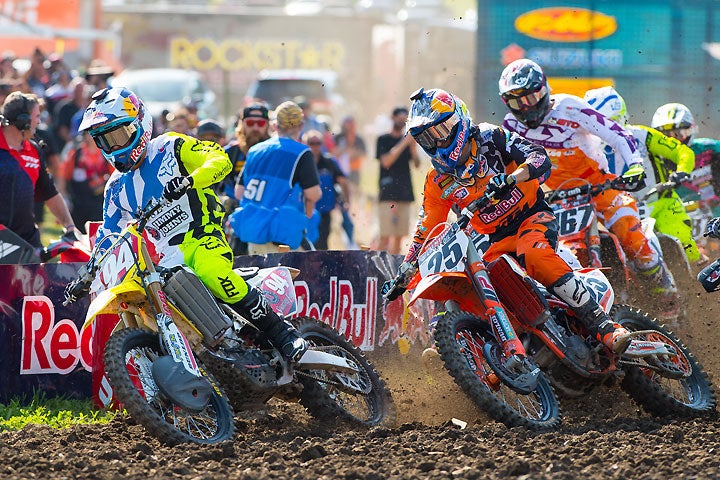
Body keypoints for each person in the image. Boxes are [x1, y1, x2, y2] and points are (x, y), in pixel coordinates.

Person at [383, 87, 665, 357]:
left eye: (440, 132)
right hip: (495, 241)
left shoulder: (489, 138)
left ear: (458, 120)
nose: (436, 143)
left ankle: (606, 328)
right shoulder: (437, 181)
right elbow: (426, 229)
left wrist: (512, 178)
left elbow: (538, 157)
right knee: (475, 285)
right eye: (426, 139)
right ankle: (484, 354)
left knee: (534, 253)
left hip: (532, 217)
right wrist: (406, 269)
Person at [63, 87, 308, 362]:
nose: (115, 146)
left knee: (210, 272)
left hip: (203, 235)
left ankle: (282, 332)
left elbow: (219, 159)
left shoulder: (170, 146)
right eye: (106, 141)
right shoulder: (115, 188)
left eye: (120, 135)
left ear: (139, 124)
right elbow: (108, 235)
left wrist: (190, 180)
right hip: (167, 257)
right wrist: (87, 275)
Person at [498, 59, 678, 307]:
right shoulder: (510, 126)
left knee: (631, 233)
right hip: (552, 195)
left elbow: (616, 133)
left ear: (544, 89)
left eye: (531, 97)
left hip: (598, 186)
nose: (526, 107)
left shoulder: (569, 108)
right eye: (518, 102)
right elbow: (504, 164)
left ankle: (665, 294)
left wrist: (635, 164)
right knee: (540, 251)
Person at [583, 87, 701, 265]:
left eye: (609, 123)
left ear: (621, 118)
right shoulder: (586, 148)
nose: (604, 130)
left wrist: (681, 172)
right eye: (596, 125)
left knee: (684, 244)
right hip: (615, 211)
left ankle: (701, 280)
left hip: (660, 202)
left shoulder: (642, 135)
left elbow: (681, 151)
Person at [233, 101, 321, 254]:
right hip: (284, 235)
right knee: (307, 274)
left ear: (274, 126)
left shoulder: (254, 150)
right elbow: (313, 194)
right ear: (301, 126)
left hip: (253, 234)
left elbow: (239, 192)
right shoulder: (302, 153)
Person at [0, 91, 77, 250]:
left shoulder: (34, 150)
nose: (39, 121)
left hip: (27, 243)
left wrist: (70, 227)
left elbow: (49, 192)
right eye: (36, 116)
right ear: (23, 121)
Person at [375, 106, 420, 254]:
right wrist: (405, 142)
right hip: (387, 192)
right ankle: (377, 267)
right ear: (393, 118)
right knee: (385, 236)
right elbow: (386, 162)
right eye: (399, 118)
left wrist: (413, 146)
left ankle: (393, 269)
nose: (401, 122)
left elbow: (417, 164)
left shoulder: (408, 140)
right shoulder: (383, 139)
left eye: (404, 119)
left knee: (399, 237)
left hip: (404, 192)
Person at [56, 131, 114, 233]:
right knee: (78, 234)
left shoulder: (106, 153)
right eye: (88, 133)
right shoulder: (76, 153)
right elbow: (63, 175)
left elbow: (115, 176)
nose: (91, 136)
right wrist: (64, 198)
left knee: (98, 233)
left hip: (100, 202)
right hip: (79, 202)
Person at [303, 129, 351, 250]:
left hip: (324, 211)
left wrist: (347, 201)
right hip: (304, 212)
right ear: (305, 144)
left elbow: (343, 181)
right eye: (311, 143)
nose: (315, 146)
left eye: (318, 143)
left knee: (322, 244)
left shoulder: (329, 162)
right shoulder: (301, 162)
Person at [333, 115, 367, 185]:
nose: (350, 127)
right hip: (339, 168)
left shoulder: (358, 139)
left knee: (354, 189)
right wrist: (343, 151)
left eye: (352, 124)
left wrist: (353, 153)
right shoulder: (337, 138)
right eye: (348, 124)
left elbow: (363, 153)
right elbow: (332, 152)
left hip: (354, 169)